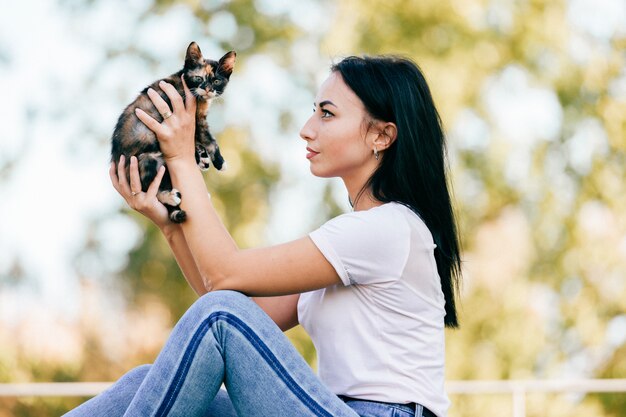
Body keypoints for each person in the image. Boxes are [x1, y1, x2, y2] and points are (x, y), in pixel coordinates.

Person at [65, 54, 462, 417]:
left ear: (382, 136)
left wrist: (181, 158)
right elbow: (227, 297)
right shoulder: (352, 241)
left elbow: (222, 294)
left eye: (327, 114)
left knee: (219, 316)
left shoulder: (387, 228)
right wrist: (171, 227)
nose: (307, 130)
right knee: (145, 382)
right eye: (314, 112)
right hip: (331, 408)